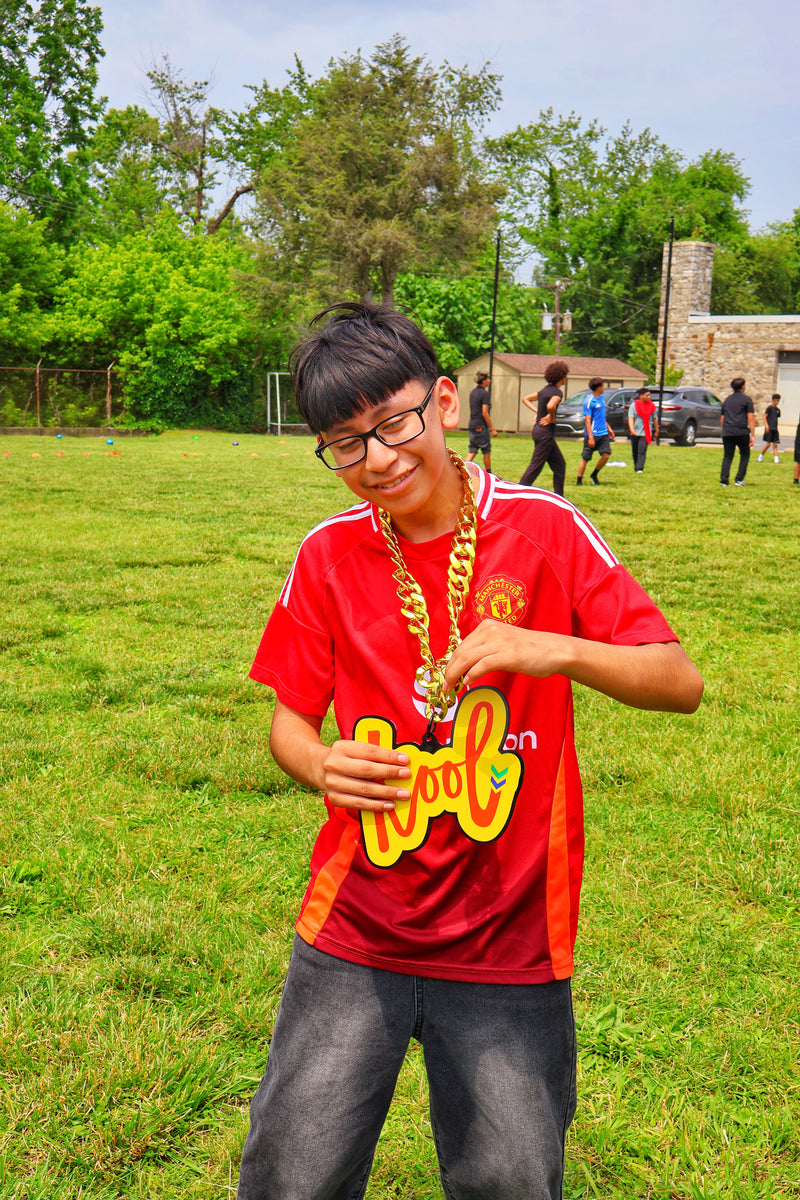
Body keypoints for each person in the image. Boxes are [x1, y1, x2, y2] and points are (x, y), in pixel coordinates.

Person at [238, 302, 703, 1200]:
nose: (376, 458)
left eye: (393, 422)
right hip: (356, 929)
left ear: (445, 402)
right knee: (293, 1170)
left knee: (513, 1178)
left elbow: (678, 679)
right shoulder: (327, 554)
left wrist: (553, 649)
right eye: (344, 443)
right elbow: (289, 721)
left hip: (511, 936)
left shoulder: (546, 531)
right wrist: (318, 762)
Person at [519, 359, 568, 495]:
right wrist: (551, 416)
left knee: (559, 465)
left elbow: (526, 399)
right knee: (535, 467)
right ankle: (516, 492)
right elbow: (551, 405)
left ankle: (560, 497)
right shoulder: (557, 393)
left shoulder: (544, 391)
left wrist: (538, 412)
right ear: (561, 376)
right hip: (545, 433)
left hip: (539, 431)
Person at [576, 376, 615, 485]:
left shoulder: (602, 398)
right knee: (586, 458)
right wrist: (591, 437)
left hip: (603, 433)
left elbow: (601, 416)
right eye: (603, 385)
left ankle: (594, 474)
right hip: (593, 434)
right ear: (598, 387)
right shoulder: (589, 401)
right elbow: (588, 420)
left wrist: (609, 428)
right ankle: (579, 480)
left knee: (606, 454)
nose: (604, 387)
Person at [720, 376, 755, 486]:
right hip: (741, 431)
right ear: (743, 387)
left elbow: (722, 419)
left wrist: (725, 429)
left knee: (728, 456)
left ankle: (724, 480)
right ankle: (739, 479)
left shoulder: (727, 400)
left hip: (727, 431)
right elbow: (750, 417)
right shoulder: (747, 400)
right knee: (745, 454)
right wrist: (752, 434)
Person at [465, 370, 497, 472]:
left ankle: (462, 471)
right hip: (480, 426)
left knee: (473, 450)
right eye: (488, 378)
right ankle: (490, 474)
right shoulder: (484, 394)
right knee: (486, 450)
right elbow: (484, 412)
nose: (490, 380)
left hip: (472, 425)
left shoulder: (472, 393)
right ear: (483, 381)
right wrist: (492, 429)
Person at [627, 387, 659, 473]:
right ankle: (636, 466)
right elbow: (631, 418)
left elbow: (655, 419)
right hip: (635, 432)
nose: (649, 397)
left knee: (642, 450)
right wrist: (632, 428)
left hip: (645, 433)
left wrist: (656, 430)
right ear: (641, 396)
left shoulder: (651, 406)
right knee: (635, 451)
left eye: (649, 395)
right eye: (647, 395)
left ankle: (639, 468)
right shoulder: (634, 406)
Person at [757, 393, 781, 464]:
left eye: (777, 401)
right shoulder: (769, 408)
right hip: (769, 428)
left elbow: (776, 419)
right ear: (772, 400)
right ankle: (760, 457)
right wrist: (767, 426)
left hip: (775, 428)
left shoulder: (778, 410)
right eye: (775, 400)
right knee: (768, 444)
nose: (776, 402)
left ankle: (776, 459)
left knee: (775, 444)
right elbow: (764, 417)